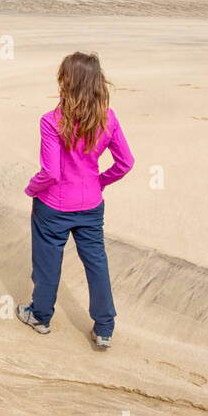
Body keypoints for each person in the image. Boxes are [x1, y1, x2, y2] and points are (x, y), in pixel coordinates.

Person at [17, 51, 134, 349]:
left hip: (53, 207)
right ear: (98, 84)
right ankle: (105, 328)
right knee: (96, 263)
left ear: (65, 82)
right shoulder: (108, 119)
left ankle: (40, 316)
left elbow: (51, 173)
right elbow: (126, 163)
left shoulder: (50, 121)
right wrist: (99, 182)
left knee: (48, 263)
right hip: (91, 206)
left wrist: (32, 189)